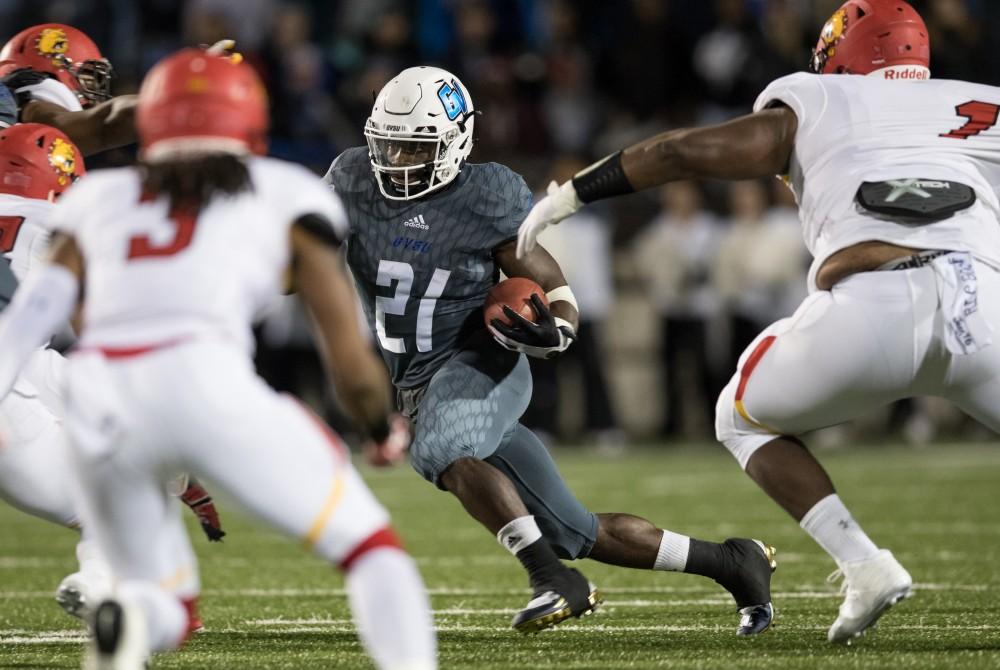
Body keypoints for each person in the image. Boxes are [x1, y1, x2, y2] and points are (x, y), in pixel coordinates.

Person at [516, 0, 1000, 645]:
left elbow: (683, 152)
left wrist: (575, 192)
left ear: (843, 55)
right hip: (983, 302)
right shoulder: (982, 102)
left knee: (740, 417)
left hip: (872, 306)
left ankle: (864, 564)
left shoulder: (821, 96)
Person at [0, 49, 436, 670]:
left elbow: (28, 322)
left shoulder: (97, 199)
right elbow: (344, 343)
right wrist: (375, 424)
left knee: (167, 604)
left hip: (104, 400)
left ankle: (129, 621)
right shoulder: (281, 191)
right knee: (372, 548)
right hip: (206, 383)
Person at [326, 65, 777, 636]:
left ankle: (551, 578)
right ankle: (735, 563)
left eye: (413, 149)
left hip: (480, 363)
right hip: (418, 383)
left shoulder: (484, 195)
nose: (395, 161)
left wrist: (559, 325)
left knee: (441, 447)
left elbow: (544, 276)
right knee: (577, 531)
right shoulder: (351, 181)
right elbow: (292, 263)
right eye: (387, 145)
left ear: (454, 142)